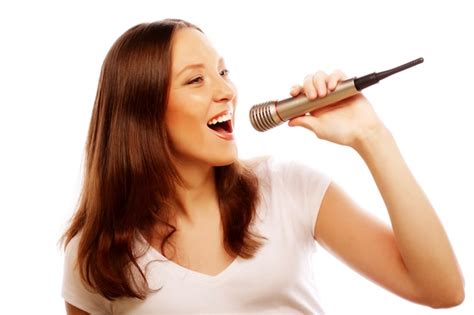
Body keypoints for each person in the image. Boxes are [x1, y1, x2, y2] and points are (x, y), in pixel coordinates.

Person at [61, 19, 464, 315]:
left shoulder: (286, 188)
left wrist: (371, 136)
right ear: (142, 112)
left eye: (223, 72)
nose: (227, 91)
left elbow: (442, 289)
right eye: (196, 81)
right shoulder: (96, 253)